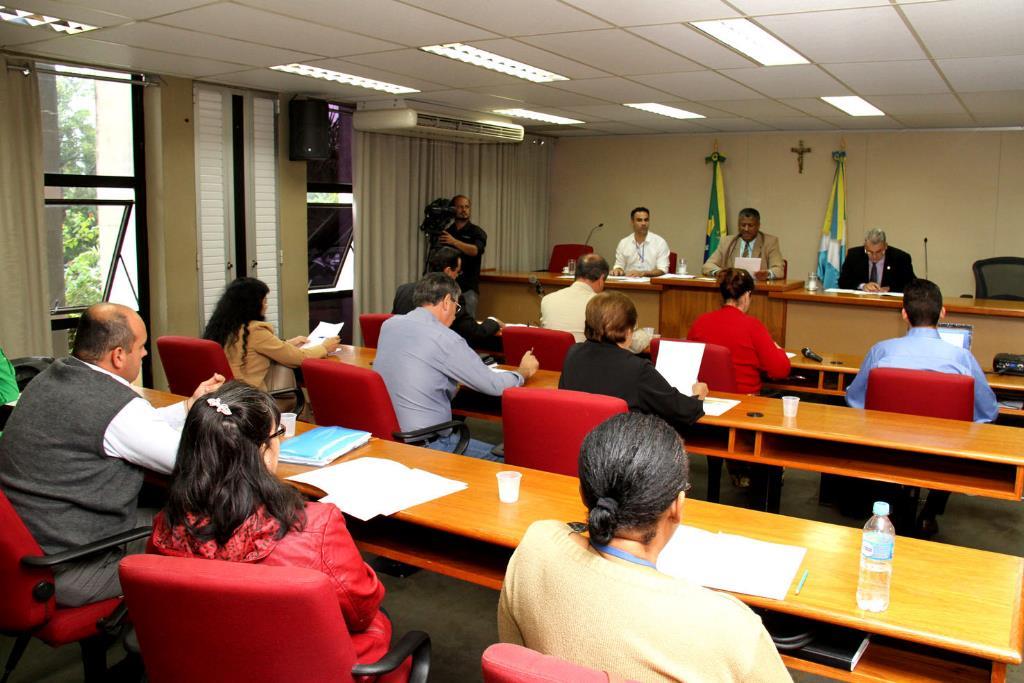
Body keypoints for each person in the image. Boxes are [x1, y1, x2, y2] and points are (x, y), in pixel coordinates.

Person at [498, 412, 791, 683]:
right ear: (677, 505)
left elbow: (515, 656)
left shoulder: (535, 546)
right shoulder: (732, 627)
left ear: (582, 491)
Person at [149, 381, 392, 666]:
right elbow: (362, 609)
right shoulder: (314, 526)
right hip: (302, 664)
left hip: (207, 662)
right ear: (264, 451)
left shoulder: (165, 525)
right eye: (279, 434)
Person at [0, 303, 223, 606]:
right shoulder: (115, 407)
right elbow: (193, 464)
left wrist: (189, 406)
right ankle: (160, 639)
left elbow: (132, 428)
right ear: (118, 355)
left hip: (30, 549)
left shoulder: (48, 379)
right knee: (209, 531)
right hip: (76, 565)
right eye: (141, 347)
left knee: (165, 509)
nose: (144, 354)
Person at [845, 278, 998, 536]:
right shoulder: (962, 359)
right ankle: (930, 512)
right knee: (957, 439)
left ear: (904, 314)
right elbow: (988, 412)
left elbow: (855, 400)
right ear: (943, 313)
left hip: (886, 450)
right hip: (943, 457)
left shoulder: (881, 352)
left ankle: (889, 508)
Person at [375, 272, 539, 459]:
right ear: (446, 301)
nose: (456, 313)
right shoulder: (445, 339)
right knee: (513, 460)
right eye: (457, 305)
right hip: (428, 445)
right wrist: (523, 371)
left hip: (389, 439)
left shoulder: (389, 325)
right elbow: (493, 385)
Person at [560, 292, 706, 435]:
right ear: (629, 331)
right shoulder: (637, 369)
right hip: (620, 450)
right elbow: (682, 411)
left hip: (576, 441)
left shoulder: (573, 353)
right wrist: (698, 396)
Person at [203, 277, 340, 394]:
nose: (266, 306)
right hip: (252, 399)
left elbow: (259, 349)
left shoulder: (224, 327)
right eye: (264, 301)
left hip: (227, 394)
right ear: (252, 305)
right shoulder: (255, 330)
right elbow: (298, 358)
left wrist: (288, 343)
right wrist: (324, 347)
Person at [687, 268, 791, 394]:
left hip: (707, 399)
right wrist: (778, 349)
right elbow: (780, 370)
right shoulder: (752, 326)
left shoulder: (700, 322)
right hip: (745, 403)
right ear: (747, 296)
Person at [393, 246, 503, 349]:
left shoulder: (402, 290)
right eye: (458, 272)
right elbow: (475, 333)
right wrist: (493, 322)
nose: (457, 276)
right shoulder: (451, 297)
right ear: (448, 271)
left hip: (401, 351)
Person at [541, 254, 652, 353]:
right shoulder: (601, 306)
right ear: (601, 279)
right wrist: (648, 336)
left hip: (553, 367)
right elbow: (634, 343)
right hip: (588, 368)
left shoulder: (547, 299)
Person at [702, 208, 785, 281]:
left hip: (758, 289)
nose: (746, 229)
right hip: (732, 289)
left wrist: (768, 274)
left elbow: (779, 269)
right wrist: (718, 272)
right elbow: (708, 265)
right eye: (743, 225)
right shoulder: (727, 241)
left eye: (750, 225)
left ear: (758, 226)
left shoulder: (770, 242)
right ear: (738, 225)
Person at [439, 194, 486, 318]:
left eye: (467, 207)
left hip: (468, 289)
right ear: (453, 209)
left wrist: (454, 242)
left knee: (467, 324)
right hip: (447, 289)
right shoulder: (447, 232)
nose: (464, 210)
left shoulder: (477, 232)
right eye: (460, 207)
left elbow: (475, 250)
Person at [838, 228, 916, 293]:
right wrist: (863, 286)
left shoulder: (900, 258)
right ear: (865, 246)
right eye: (870, 252)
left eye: (878, 252)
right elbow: (843, 282)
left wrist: (889, 289)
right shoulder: (854, 255)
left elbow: (910, 284)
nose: (874, 256)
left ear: (885, 246)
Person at [611, 207, 669, 277]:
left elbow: (662, 270)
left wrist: (643, 273)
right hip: (628, 282)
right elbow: (619, 265)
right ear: (632, 222)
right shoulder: (623, 243)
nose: (643, 223)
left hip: (651, 283)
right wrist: (618, 270)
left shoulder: (660, 242)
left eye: (646, 220)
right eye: (639, 220)